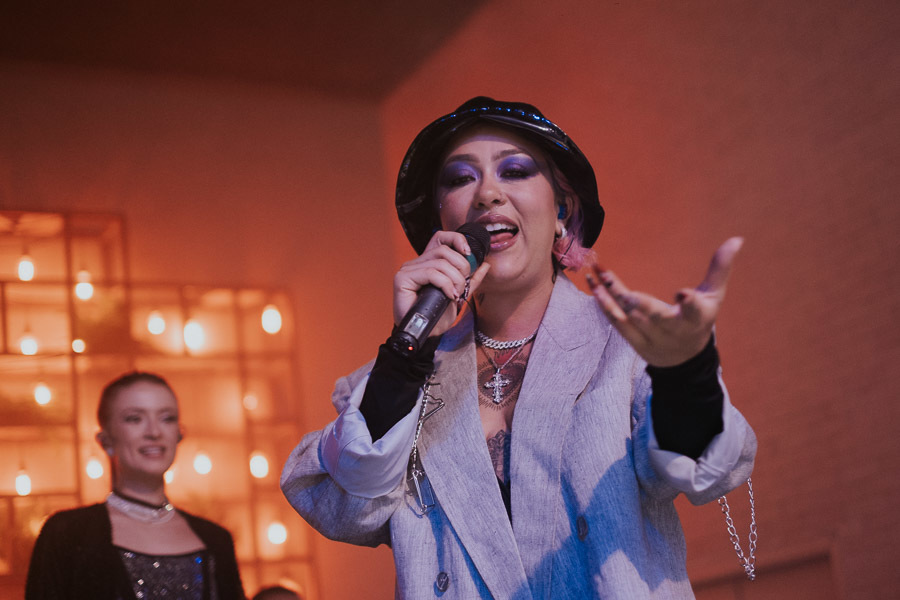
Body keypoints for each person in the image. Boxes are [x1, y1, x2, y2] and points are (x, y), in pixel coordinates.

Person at [280, 97, 757, 599]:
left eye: (515, 171)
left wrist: (688, 371)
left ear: (562, 212)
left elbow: (707, 471)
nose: (487, 192)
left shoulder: (627, 347)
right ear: (442, 222)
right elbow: (345, 506)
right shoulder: (396, 382)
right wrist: (407, 354)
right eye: (461, 178)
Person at [26, 371, 246, 600]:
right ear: (105, 440)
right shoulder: (68, 534)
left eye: (167, 418)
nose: (154, 432)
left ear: (179, 435)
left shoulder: (216, 540)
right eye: (134, 418)